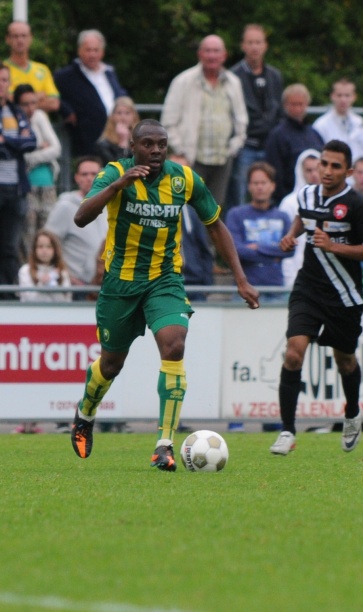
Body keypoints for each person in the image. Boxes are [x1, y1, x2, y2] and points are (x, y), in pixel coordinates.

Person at [69, 119, 259, 470]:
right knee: (111, 364)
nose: (156, 150)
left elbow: (215, 225)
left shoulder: (184, 179)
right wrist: (119, 186)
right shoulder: (114, 172)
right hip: (120, 284)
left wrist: (240, 278)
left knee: (174, 344)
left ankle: (164, 444)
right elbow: (81, 216)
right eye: (148, 144)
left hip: (164, 279)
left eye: (162, 144)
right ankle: (85, 412)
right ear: (133, 147)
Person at [269, 140, 363, 456]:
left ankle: (352, 412)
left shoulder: (359, 205)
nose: (327, 171)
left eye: (335, 166)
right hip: (308, 288)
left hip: (344, 294)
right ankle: (287, 431)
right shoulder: (306, 194)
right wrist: (293, 234)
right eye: (324, 164)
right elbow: (305, 218)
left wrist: (335, 246)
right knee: (293, 353)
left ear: (347, 171)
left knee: (345, 360)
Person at [161, 35, 248, 209]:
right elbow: (168, 121)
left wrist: (235, 145)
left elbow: (241, 119)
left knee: (215, 210)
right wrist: (181, 150)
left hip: (223, 159)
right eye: (207, 51)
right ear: (200, 54)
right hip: (191, 159)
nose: (212, 55)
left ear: (224, 55)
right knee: (188, 208)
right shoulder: (182, 81)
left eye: (216, 51)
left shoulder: (233, 82)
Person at [14, 229, 71, 434]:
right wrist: (41, 283)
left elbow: (65, 300)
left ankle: (62, 421)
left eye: (48, 246)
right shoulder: (25, 271)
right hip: (31, 334)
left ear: (54, 249)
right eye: (40, 246)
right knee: (28, 377)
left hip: (55, 334)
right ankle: (28, 421)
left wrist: (53, 284)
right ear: (34, 250)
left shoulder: (62, 272)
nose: (44, 251)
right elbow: (26, 298)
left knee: (58, 377)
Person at [229, 24, 284, 208]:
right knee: (240, 193)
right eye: (250, 42)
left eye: (258, 42)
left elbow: (278, 111)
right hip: (245, 146)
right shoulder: (233, 77)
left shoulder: (275, 76)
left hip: (269, 146)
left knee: (271, 193)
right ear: (243, 45)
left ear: (265, 45)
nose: (255, 47)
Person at [54, 29, 128, 156]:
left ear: (102, 52)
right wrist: (65, 109)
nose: (92, 54)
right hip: (87, 141)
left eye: (96, 50)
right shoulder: (66, 76)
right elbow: (52, 95)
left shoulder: (109, 72)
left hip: (115, 136)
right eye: (88, 50)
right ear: (79, 51)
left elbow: (119, 94)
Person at [226, 161, 291, 301]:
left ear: (273, 186)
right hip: (244, 290)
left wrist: (257, 247)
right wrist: (274, 252)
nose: (260, 187)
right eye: (255, 183)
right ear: (249, 186)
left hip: (276, 290)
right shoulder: (235, 215)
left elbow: (290, 250)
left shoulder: (283, 217)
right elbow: (236, 250)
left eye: (264, 182)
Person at [44, 157, 106, 298]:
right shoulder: (65, 206)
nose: (90, 178)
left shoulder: (110, 205)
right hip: (78, 287)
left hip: (106, 286)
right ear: (77, 178)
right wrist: (65, 275)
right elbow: (48, 243)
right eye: (84, 174)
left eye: (94, 174)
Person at [0, 64, 36, 300]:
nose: (2, 85)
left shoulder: (16, 112)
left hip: (16, 190)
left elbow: (30, 142)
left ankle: (10, 296)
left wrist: (5, 141)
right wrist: (15, 141)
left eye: (4, 80)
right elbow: (21, 143)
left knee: (10, 248)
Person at [16, 84, 61, 259]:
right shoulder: (13, 119)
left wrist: (32, 154)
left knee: (48, 233)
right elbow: (19, 152)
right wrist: (39, 148)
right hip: (27, 185)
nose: (30, 108)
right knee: (28, 234)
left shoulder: (40, 116)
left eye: (33, 103)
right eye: (25, 104)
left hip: (48, 183)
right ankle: (29, 273)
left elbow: (56, 148)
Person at [265, 84, 324, 202]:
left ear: (307, 104)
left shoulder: (314, 134)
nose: (297, 108)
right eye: (293, 104)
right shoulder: (277, 135)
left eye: (301, 104)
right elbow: (275, 173)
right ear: (285, 105)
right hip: (289, 198)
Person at [278, 148, 321, 290]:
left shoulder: (332, 201)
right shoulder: (288, 203)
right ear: (300, 171)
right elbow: (286, 241)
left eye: (317, 169)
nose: (314, 174)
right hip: (296, 271)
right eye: (309, 170)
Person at [4, 22, 59, 113]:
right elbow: (7, 100)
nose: (20, 40)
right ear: (7, 39)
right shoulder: (3, 70)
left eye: (24, 36)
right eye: (15, 36)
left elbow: (55, 103)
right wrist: (39, 96)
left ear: (31, 38)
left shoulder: (42, 70)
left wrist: (22, 101)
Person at [313, 78, 363, 163]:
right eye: (339, 95)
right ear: (332, 96)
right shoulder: (321, 125)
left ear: (354, 97)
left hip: (357, 174)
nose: (343, 100)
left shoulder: (359, 123)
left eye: (347, 95)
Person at [94, 96, 140, 165]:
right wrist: (123, 143)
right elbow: (116, 169)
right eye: (119, 113)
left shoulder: (140, 139)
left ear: (134, 116)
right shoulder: (104, 144)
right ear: (112, 116)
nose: (123, 117)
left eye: (127, 113)